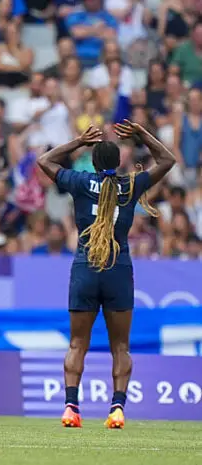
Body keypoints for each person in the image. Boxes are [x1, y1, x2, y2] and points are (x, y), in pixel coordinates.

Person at [36, 121, 176, 430]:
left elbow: (44, 161)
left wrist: (78, 141)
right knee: (120, 347)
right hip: (118, 269)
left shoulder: (81, 181)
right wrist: (142, 134)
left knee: (77, 343)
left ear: (94, 162)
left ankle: (71, 408)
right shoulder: (130, 184)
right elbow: (168, 160)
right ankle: (117, 410)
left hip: (86, 267)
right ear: (119, 162)